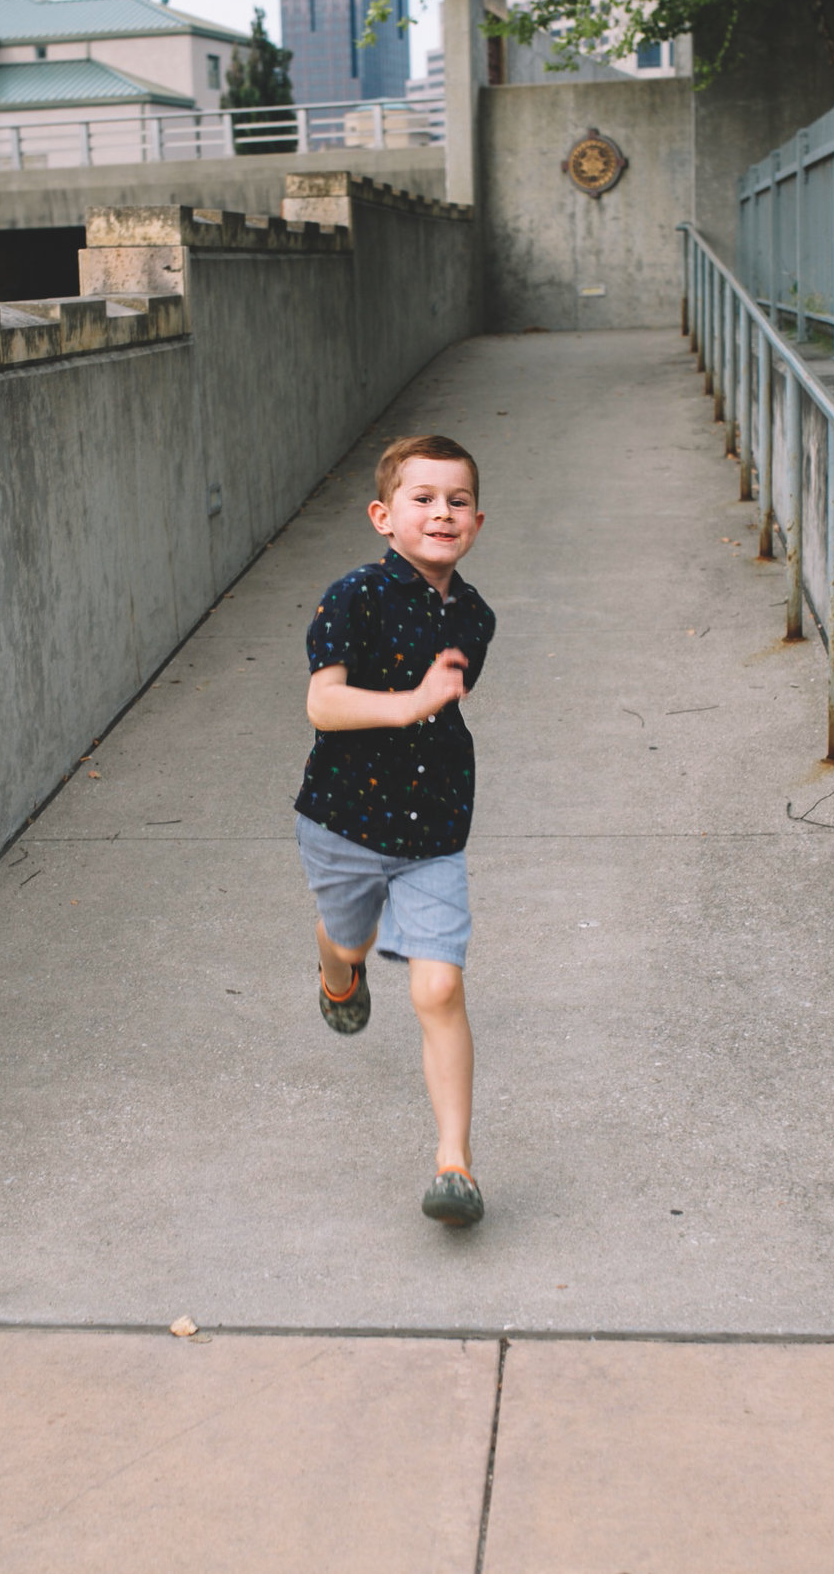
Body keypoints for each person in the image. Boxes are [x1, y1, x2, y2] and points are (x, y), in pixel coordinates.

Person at [294, 434, 496, 1226]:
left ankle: (457, 1165)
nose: (440, 512)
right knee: (349, 941)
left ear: (477, 520)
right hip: (343, 822)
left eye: (456, 500)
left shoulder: (473, 615)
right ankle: (336, 969)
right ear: (384, 515)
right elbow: (323, 704)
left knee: (439, 985)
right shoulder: (352, 597)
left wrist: (433, 701)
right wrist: (408, 701)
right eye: (422, 498)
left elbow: (451, 686)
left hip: (433, 832)